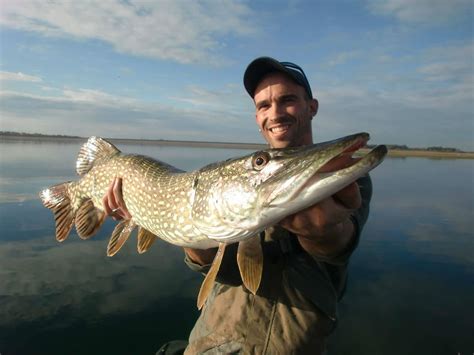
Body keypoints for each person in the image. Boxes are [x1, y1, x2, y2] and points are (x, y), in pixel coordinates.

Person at [104, 57, 372, 355]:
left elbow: (339, 246)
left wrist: (322, 234)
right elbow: (216, 265)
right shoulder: (234, 179)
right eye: (264, 106)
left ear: (312, 107)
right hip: (210, 342)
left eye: (288, 100)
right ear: (258, 119)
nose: (276, 113)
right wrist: (173, 227)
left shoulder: (344, 175)